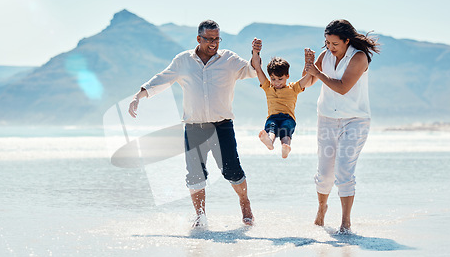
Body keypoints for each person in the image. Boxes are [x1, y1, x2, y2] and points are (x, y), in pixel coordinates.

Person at [129, 20, 260, 227]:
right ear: (199, 39)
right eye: (209, 39)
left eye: (217, 39)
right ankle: (200, 215)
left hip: (222, 126)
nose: (214, 43)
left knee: (232, 170)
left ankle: (244, 202)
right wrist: (139, 95)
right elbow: (162, 79)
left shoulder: (229, 59)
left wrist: (255, 55)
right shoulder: (183, 61)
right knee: (195, 175)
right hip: (194, 127)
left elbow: (251, 71)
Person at [303, 19, 380, 233]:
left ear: (347, 41)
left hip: (355, 121)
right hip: (327, 118)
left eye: (334, 44)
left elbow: (343, 87)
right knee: (325, 173)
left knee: (344, 171)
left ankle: (345, 222)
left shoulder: (359, 57)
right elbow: (307, 82)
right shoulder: (325, 55)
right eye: (327, 42)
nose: (330, 47)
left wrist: (317, 73)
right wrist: (308, 66)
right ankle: (322, 209)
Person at [250, 39, 314, 158]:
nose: (276, 82)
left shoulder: (294, 88)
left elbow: (307, 77)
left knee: (285, 129)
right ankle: (269, 141)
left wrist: (309, 62)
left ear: (287, 76)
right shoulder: (267, 86)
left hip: (288, 118)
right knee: (271, 127)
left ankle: (286, 147)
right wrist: (255, 52)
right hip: (273, 117)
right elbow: (258, 68)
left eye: (280, 79)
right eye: (273, 79)